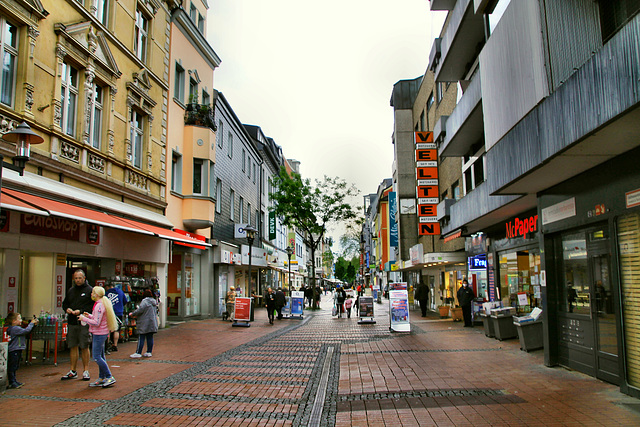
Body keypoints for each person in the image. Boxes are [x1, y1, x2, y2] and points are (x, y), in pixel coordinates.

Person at [78, 286, 118, 387]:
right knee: (101, 355)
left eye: (92, 293)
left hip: (99, 333)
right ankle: (102, 377)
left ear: (96, 294)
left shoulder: (99, 306)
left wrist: (84, 318)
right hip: (101, 332)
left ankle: (109, 376)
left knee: (96, 356)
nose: (91, 294)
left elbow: (96, 322)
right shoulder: (101, 304)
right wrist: (89, 316)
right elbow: (97, 318)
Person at [61, 269, 94, 381]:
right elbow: (65, 303)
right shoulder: (71, 290)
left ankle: (86, 370)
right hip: (72, 322)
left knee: (84, 345)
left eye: (80, 278)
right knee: (72, 345)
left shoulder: (90, 290)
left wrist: (80, 311)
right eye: (76, 278)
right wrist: (67, 309)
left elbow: (92, 307)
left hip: (84, 322)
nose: (78, 280)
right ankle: (73, 370)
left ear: (84, 278)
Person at [5, 312, 38, 389]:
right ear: (14, 321)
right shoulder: (15, 329)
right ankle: (12, 382)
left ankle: (14, 380)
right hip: (14, 350)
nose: (21, 320)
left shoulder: (16, 329)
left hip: (17, 349)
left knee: (15, 365)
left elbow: (27, 331)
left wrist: (33, 325)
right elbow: (26, 331)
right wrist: (31, 324)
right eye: (19, 319)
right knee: (12, 366)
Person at [129, 288, 159, 358]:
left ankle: (138, 352)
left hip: (144, 322)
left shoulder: (144, 301)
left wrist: (132, 314)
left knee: (141, 336)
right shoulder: (154, 302)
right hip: (152, 322)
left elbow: (140, 310)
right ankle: (149, 351)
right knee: (150, 337)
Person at [105, 283, 126, 352]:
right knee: (116, 330)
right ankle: (115, 345)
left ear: (108, 287)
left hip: (109, 313)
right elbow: (125, 301)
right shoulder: (120, 292)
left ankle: (107, 345)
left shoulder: (106, 293)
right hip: (119, 312)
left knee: (108, 329)